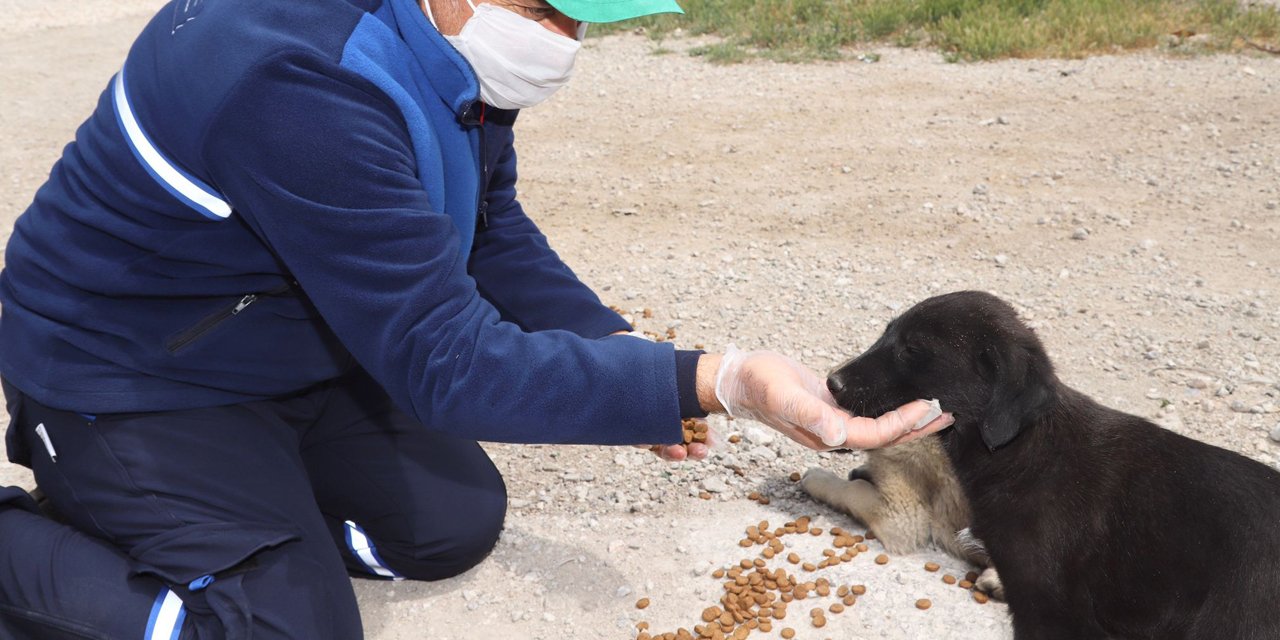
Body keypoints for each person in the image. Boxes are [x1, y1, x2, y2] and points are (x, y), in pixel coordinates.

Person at [0, 0, 952, 637]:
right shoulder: (299, 82)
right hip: (125, 373)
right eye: (548, 10)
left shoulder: (443, 43)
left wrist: (615, 355)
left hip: (285, 347)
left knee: (449, 527)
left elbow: (485, 225)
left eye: (584, 17)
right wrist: (718, 379)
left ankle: (216, 514)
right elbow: (444, 364)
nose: (566, 38)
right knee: (287, 626)